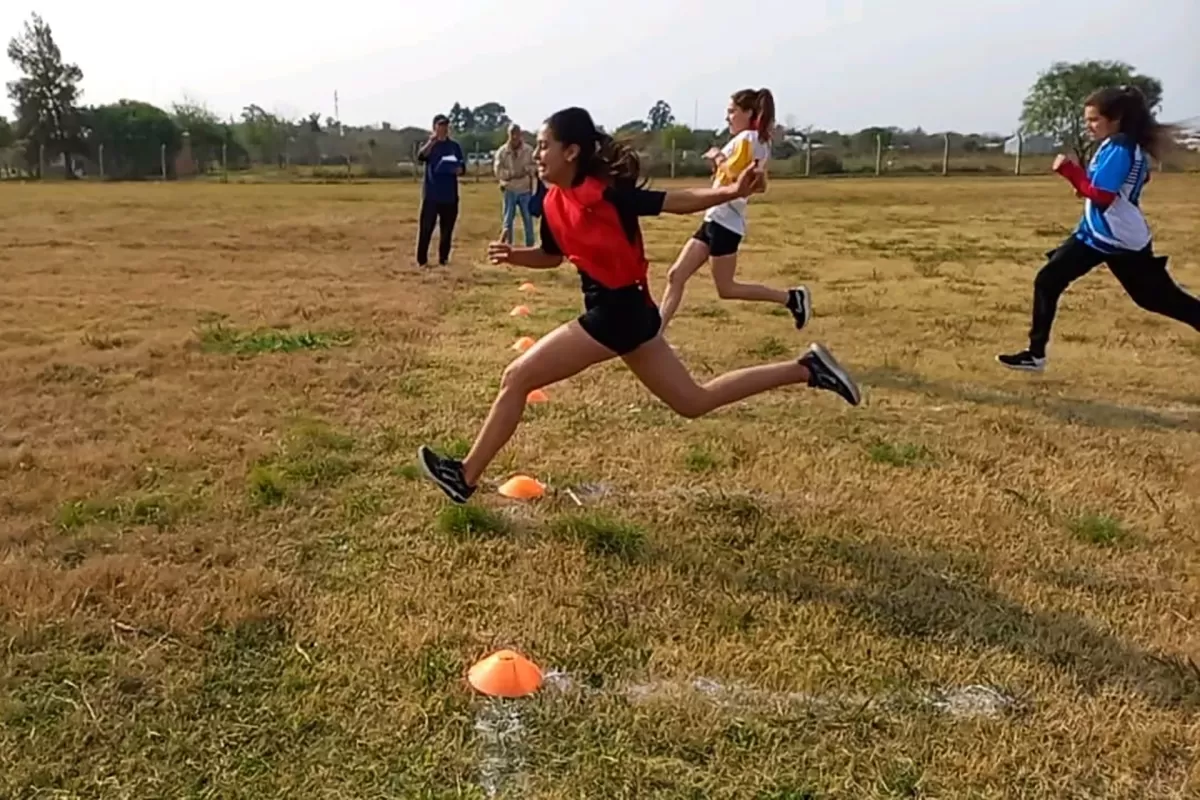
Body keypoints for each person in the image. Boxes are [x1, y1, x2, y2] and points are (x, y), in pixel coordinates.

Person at [417, 107, 861, 504]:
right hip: (630, 315)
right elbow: (552, 255)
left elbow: (675, 202)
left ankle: (465, 476)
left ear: (571, 152)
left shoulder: (605, 193)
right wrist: (518, 256)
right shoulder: (551, 202)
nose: (537, 153)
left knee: (517, 377)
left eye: (544, 145)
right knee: (693, 401)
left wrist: (728, 193)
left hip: (617, 313)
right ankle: (808, 368)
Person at [998, 86, 1199, 371]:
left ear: (1115, 118)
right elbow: (1125, 184)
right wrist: (1089, 187)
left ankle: (1035, 355)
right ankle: (1035, 354)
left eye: (1094, 120)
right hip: (1099, 232)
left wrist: (1070, 172)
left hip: (1117, 236)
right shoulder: (1118, 145)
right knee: (1049, 279)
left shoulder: (1120, 148)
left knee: (1157, 299)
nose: (1088, 126)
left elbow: (1103, 195)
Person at [657, 89, 811, 334]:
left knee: (726, 289)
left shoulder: (749, 138)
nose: (727, 118)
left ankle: (791, 298)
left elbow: (739, 181)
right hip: (715, 218)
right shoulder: (754, 140)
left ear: (748, 113)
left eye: (731, 112)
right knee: (676, 275)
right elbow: (757, 184)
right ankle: (655, 335)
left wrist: (718, 157)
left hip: (725, 224)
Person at [416, 113, 466, 267]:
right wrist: (432, 142)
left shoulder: (454, 146)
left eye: (445, 126)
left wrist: (459, 169)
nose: (443, 129)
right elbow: (420, 157)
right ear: (434, 127)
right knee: (426, 228)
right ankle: (422, 260)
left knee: (447, 230)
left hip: (449, 196)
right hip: (431, 195)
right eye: (440, 126)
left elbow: (462, 167)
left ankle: (443, 259)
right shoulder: (430, 146)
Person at [494, 123, 538, 246]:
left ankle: (530, 245)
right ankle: (507, 245)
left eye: (517, 134)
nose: (514, 137)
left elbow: (535, 166)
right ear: (508, 135)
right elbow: (498, 171)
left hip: (525, 189)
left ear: (520, 134)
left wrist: (526, 170)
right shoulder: (502, 152)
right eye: (512, 134)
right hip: (509, 189)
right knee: (508, 220)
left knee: (528, 219)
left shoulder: (529, 150)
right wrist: (511, 173)